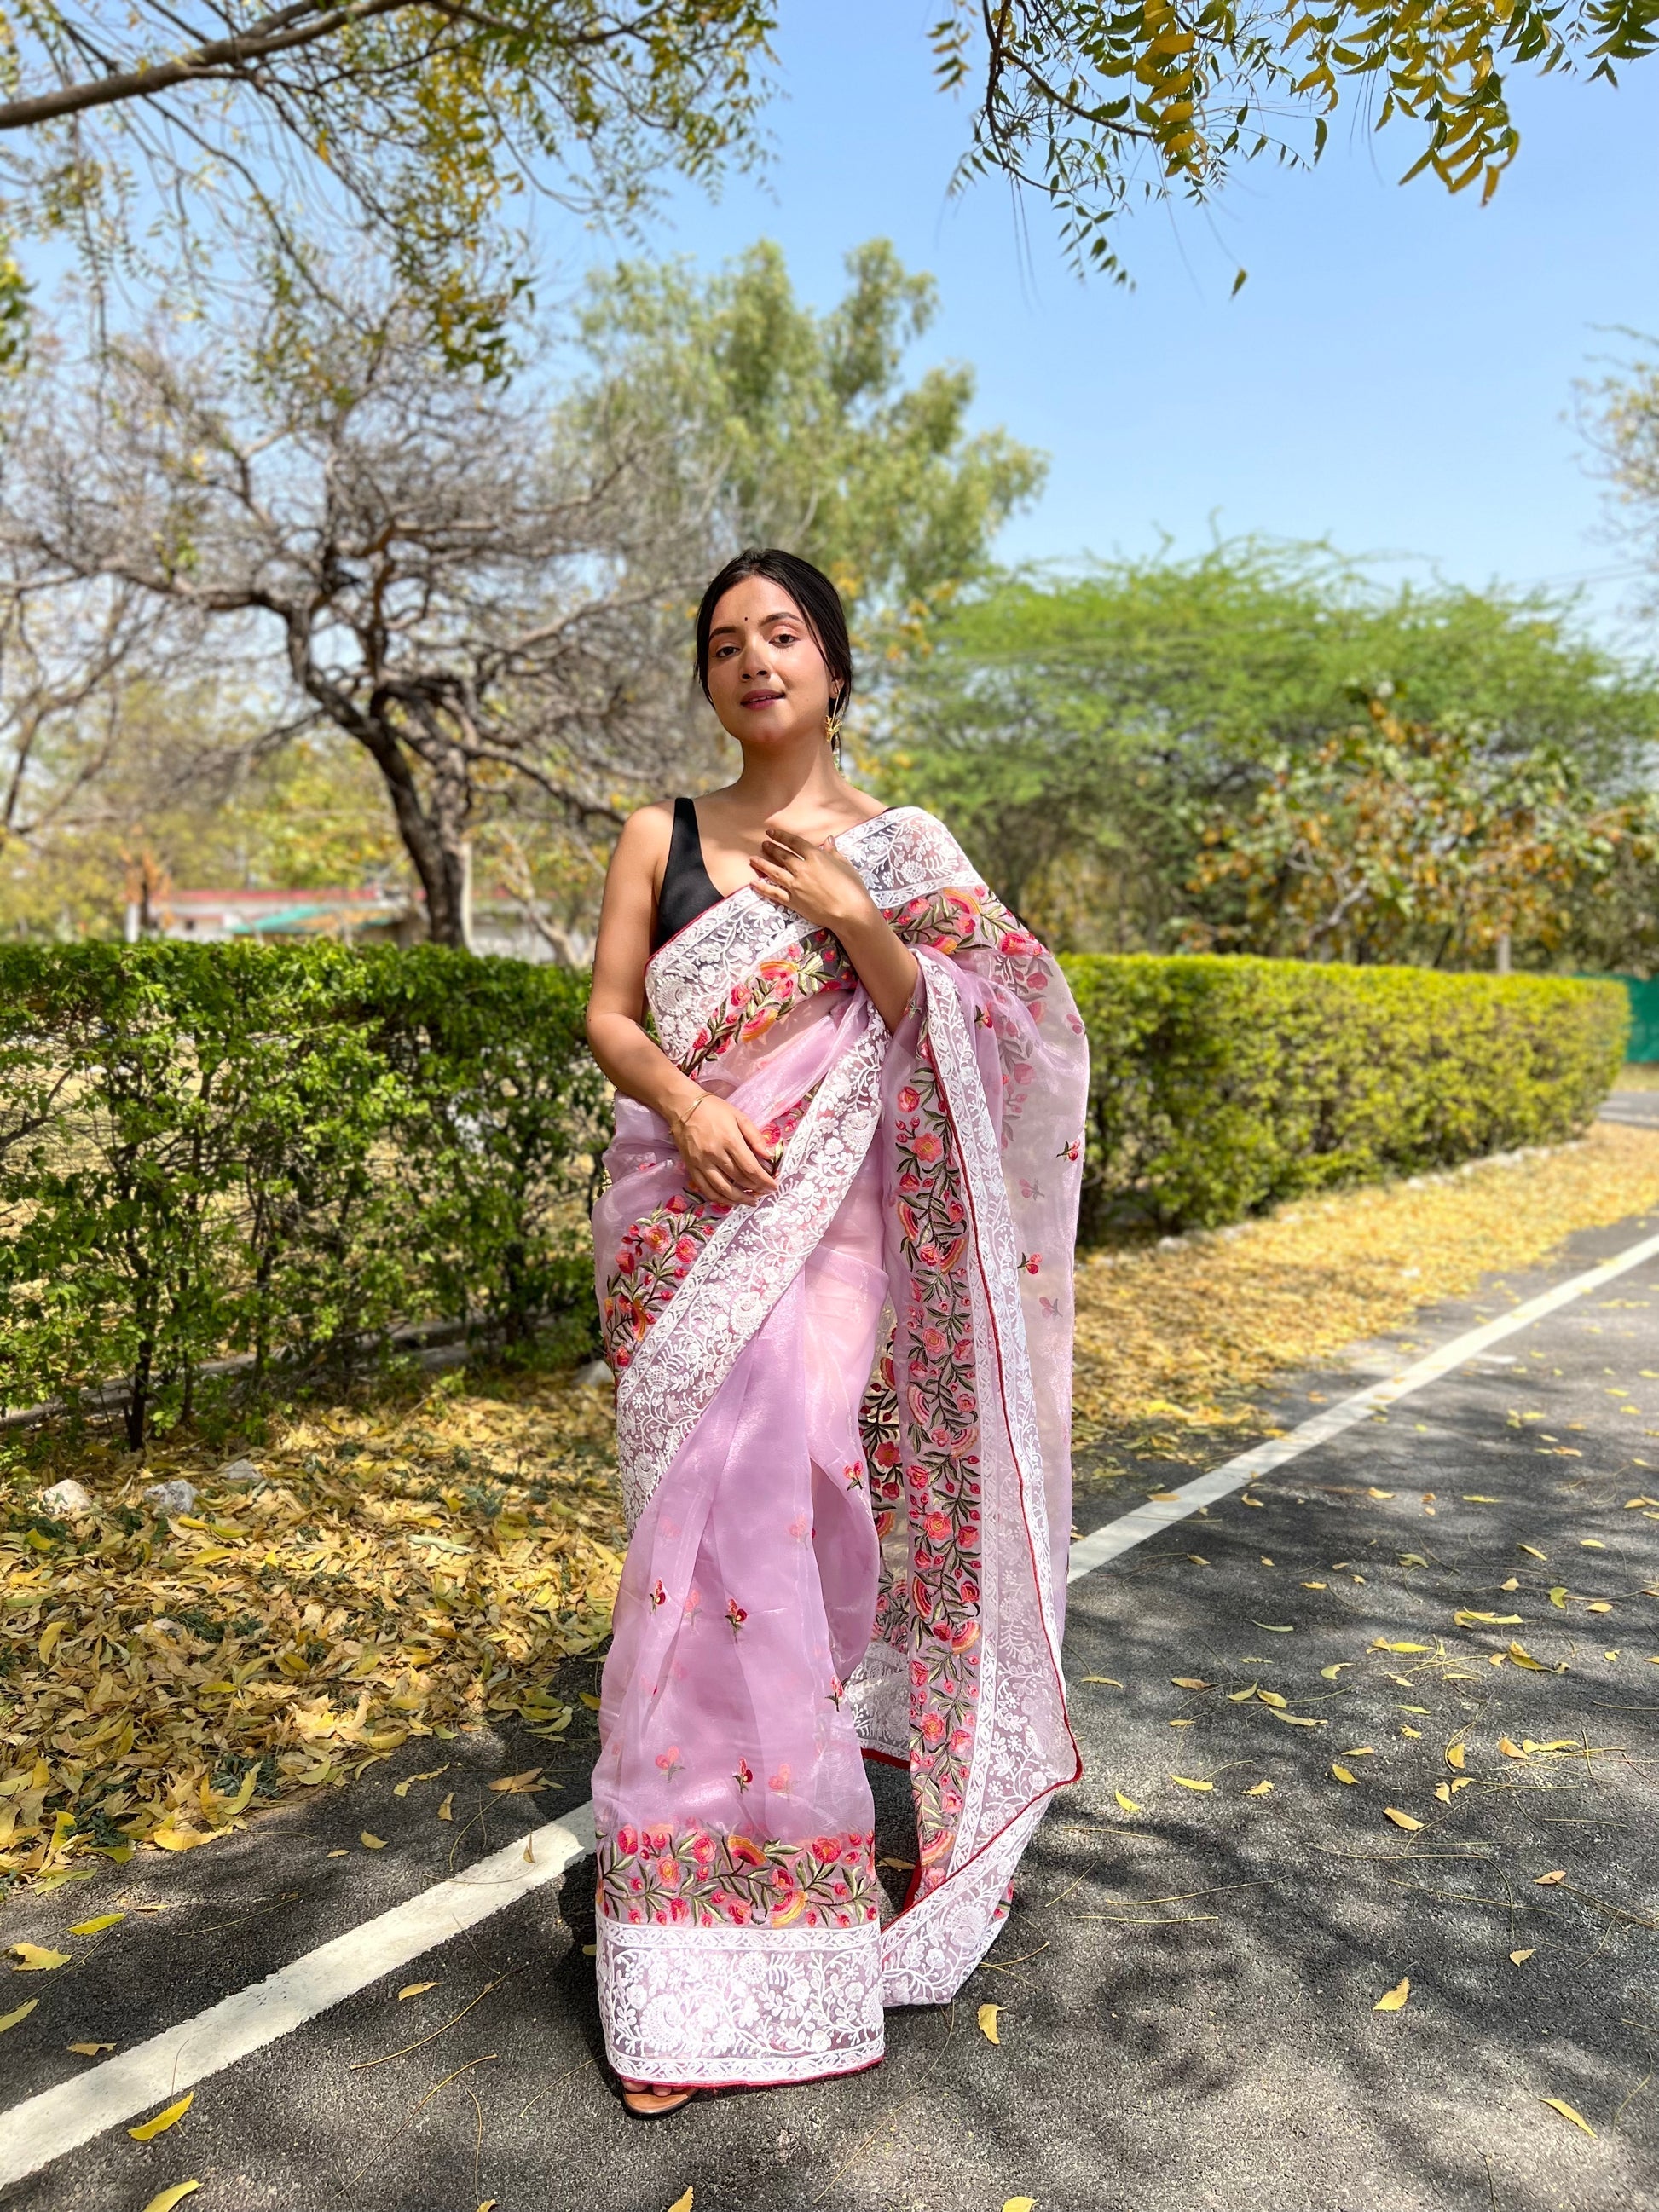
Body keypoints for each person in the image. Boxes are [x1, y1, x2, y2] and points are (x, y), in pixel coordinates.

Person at [583, 547, 1086, 2116]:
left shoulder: (899, 848)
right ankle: (676, 1956)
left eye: (782, 634)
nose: (754, 661)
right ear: (708, 677)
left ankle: (798, 1882)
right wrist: (683, 1101)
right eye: (724, 642)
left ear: (835, 662)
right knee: (693, 1539)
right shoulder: (657, 834)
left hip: (839, 1233)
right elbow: (609, 1015)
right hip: (687, 1218)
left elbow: (1016, 1027)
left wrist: (861, 916)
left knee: (784, 1510)